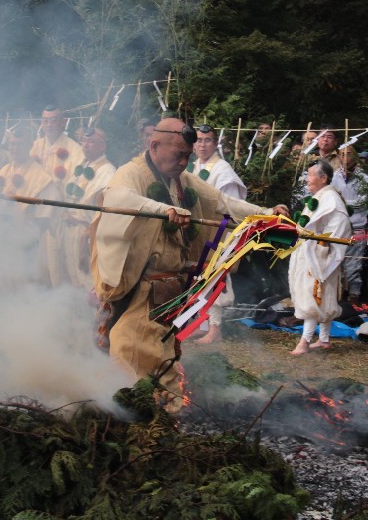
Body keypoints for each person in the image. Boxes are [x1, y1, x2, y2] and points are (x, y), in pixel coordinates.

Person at [91, 118, 289, 411]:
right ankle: (133, 418)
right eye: (178, 155)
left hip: (172, 290)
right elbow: (122, 199)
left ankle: (167, 417)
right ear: (155, 146)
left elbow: (221, 201)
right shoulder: (131, 173)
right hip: (140, 289)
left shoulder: (183, 180)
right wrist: (164, 209)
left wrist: (266, 214)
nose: (184, 162)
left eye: (187, 155)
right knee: (133, 354)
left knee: (165, 355)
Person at [185, 124, 248, 343]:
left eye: (208, 140)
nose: (202, 145)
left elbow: (230, 206)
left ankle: (215, 328)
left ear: (215, 144)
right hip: (199, 231)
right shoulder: (191, 167)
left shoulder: (223, 170)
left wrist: (218, 231)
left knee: (215, 277)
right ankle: (202, 323)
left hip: (218, 232)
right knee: (199, 276)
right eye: (199, 140)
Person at [289, 159, 352, 355]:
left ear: (323, 178)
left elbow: (340, 227)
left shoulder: (331, 199)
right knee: (323, 294)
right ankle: (323, 339)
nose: (307, 179)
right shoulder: (321, 196)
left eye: (310, 175)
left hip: (320, 255)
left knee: (313, 294)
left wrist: (324, 248)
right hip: (311, 251)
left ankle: (304, 341)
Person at [0, 125, 63, 288]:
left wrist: (25, 239)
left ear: (29, 146)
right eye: (12, 144)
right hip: (3, 238)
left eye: (20, 144)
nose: (15, 148)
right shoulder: (4, 171)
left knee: (26, 284)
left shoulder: (41, 176)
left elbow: (44, 219)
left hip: (28, 242)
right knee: (3, 283)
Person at [62, 126, 116, 291]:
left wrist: (88, 233)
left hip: (88, 235)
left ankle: (93, 316)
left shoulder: (108, 171)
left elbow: (106, 212)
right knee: (73, 280)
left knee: (88, 281)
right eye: (84, 141)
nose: (86, 145)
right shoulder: (81, 167)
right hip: (69, 230)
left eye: (91, 142)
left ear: (103, 146)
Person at [331, 146, 368, 303]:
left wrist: (341, 202)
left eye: (349, 154)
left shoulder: (364, 178)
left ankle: (354, 299)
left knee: (353, 267)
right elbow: (330, 196)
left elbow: (363, 200)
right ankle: (336, 300)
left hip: (356, 226)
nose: (345, 157)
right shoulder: (334, 176)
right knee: (335, 265)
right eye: (342, 154)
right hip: (338, 226)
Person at [29, 105, 82, 182]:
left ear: (63, 122)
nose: (49, 125)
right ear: (41, 122)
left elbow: (77, 180)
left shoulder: (75, 150)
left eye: (53, 121)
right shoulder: (33, 147)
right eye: (45, 121)